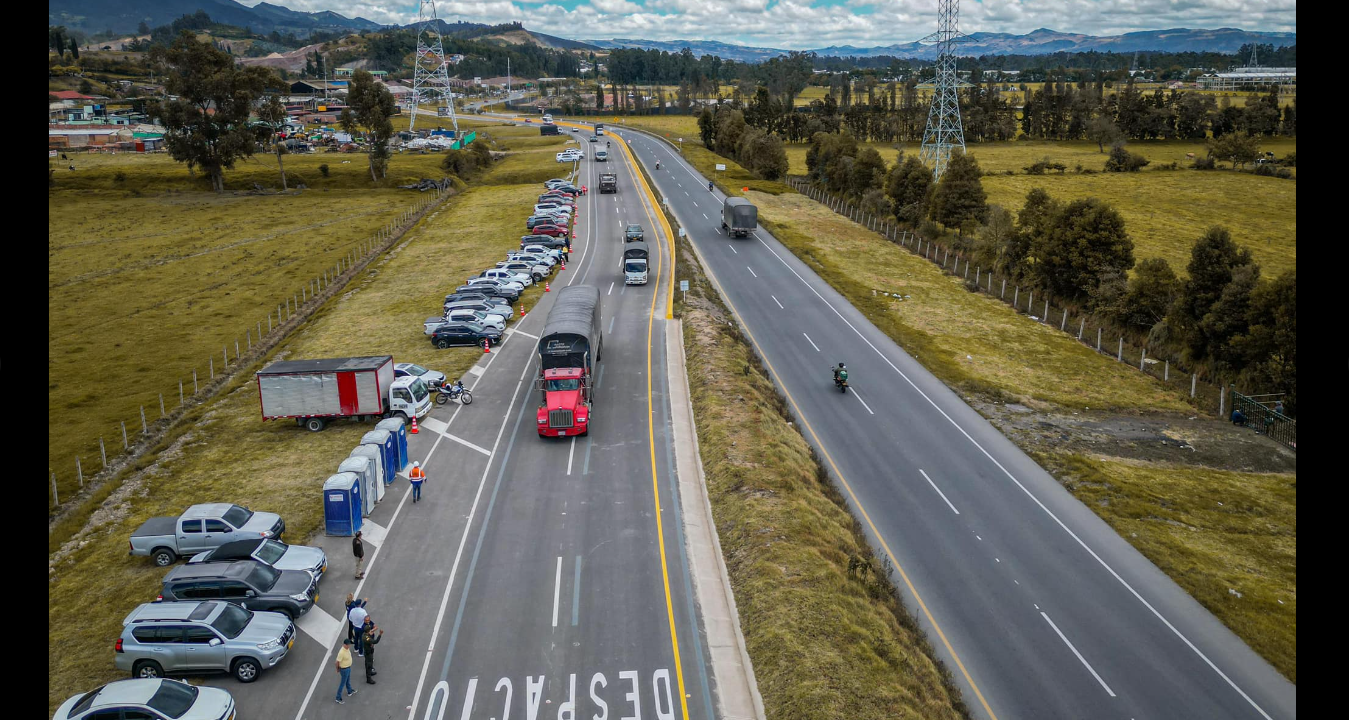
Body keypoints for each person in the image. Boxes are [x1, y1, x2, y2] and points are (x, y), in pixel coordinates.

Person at [334, 639, 357, 704]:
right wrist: (337, 669)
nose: (349, 646)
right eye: (348, 644)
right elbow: (337, 662)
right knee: (342, 683)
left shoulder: (347, 649)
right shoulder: (341, 652)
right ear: (345, 644)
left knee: (347, 680)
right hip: (344, 669)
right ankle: (338, 698)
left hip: (348, 668)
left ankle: (349, 691)